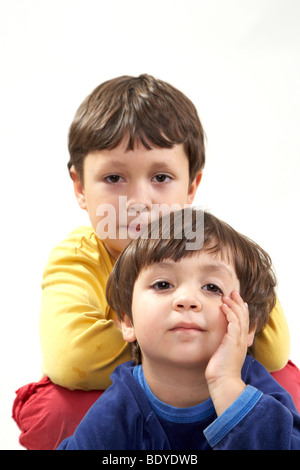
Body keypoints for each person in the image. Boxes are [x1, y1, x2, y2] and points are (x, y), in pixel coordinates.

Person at [12, 75, 297, 450]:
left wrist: (203, 355)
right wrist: (174, 346)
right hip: (133, 391)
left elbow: (272, 344)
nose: (138, 200)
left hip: (211, 381)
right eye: (114, 178)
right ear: (81, 188)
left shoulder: (208, 243)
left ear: (191, 187)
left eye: (161, 177)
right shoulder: (79, 256)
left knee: (285, 384)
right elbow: (72, 357)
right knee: (56, 408)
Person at [58, 209, 300, 450]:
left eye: (212, 287)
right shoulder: (118, 410)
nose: (186, 299)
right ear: (128, 321)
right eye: (163, 284)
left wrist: (226, 384)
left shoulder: (260, 393)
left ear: (248, 326)